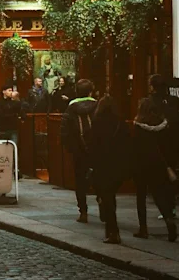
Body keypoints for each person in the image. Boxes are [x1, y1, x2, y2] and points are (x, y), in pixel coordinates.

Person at [88, 96, 132, 244]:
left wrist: (92, 163)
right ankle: (110, 228)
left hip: (103, 165)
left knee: (106, 197)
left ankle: (113, 231)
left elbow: (92, 145)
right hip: (118, 165)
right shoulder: (121, 123)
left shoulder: (97, 122)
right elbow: (127, 143)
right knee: (110, 195)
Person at [133, 98, 178, 242]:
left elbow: (135, 146)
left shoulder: (138, 125)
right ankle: (168, 220)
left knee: (141, 197)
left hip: (141, 164)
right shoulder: (163, 125)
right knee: (159, 194)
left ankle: (143, 228)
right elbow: (167, 146)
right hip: (159, 164)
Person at [147, 73, 179, 218]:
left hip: (157, 144)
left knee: (159, 178)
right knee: (170, 172)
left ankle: (166, 207)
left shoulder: (150, 102)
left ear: (152, 87)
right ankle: (171, 206)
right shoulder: (175, 101)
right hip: (174, 144)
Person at [61, 79, 98, 223]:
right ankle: (102, 203)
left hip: (78, 150)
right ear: (91, 91)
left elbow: (64, 130)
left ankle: (83, 211)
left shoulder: (71, 108)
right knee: (99, 177)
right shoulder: (98, 105)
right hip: (96, 149)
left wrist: (70, 148)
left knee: (80, 180)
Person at [0, 82, 23, 146]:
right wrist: (13, 115)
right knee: (3, 149)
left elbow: (20, 111)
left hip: (13, 129)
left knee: (14, 147)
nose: (11, 92)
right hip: (3, 130)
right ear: (4, 91)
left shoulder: (14, 102)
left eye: (12, 90)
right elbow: (0, 115)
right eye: (9, 90)